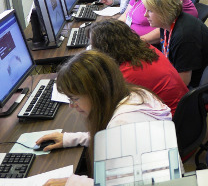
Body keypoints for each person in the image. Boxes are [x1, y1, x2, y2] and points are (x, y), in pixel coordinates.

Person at [37, 50, 171, 186]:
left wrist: (72, 183)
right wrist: (73, 138)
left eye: (75, 98)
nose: (72, 105)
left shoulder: (122, 124)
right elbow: (117, 140)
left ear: (96, 93)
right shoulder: (136, 94)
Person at [141, 0, 208, 102]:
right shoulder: (169, 22)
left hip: (205, 89)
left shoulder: (184, 37)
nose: (145, 15)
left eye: (150, 11)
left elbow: (183, 81)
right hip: (190, 78)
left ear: (163, 12)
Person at [88, 19, 188, 115]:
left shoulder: (126, 74)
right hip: (183, 110)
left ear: (105, 48)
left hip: (172, 120)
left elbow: (109, 106)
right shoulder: (145, 47)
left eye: (93, 47)